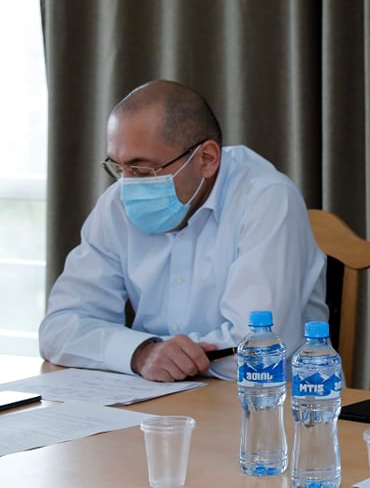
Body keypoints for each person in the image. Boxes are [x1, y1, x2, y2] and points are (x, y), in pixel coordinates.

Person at [39, 80, 327, 382]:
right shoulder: (115, 205)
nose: (127, 186)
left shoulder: (268, 199)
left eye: (142, 170)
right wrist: (141, 353)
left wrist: (162, 357)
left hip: (278, 401)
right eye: (118, 168)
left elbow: (259, 350)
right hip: (160, 399)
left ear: (206, 159)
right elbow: (58, 329)